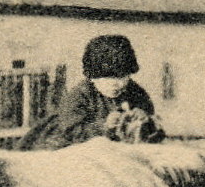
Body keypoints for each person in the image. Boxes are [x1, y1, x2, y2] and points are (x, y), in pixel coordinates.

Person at [21, 34, 163, 150]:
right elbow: (70, 132)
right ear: (92, 77)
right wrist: (103, 126)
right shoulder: (80, 95)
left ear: (129, 74)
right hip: (67, 145)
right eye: (105, 78)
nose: (114, 83)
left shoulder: (137, 93)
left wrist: (146, 121)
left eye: (121, 77)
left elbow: (156, 134)